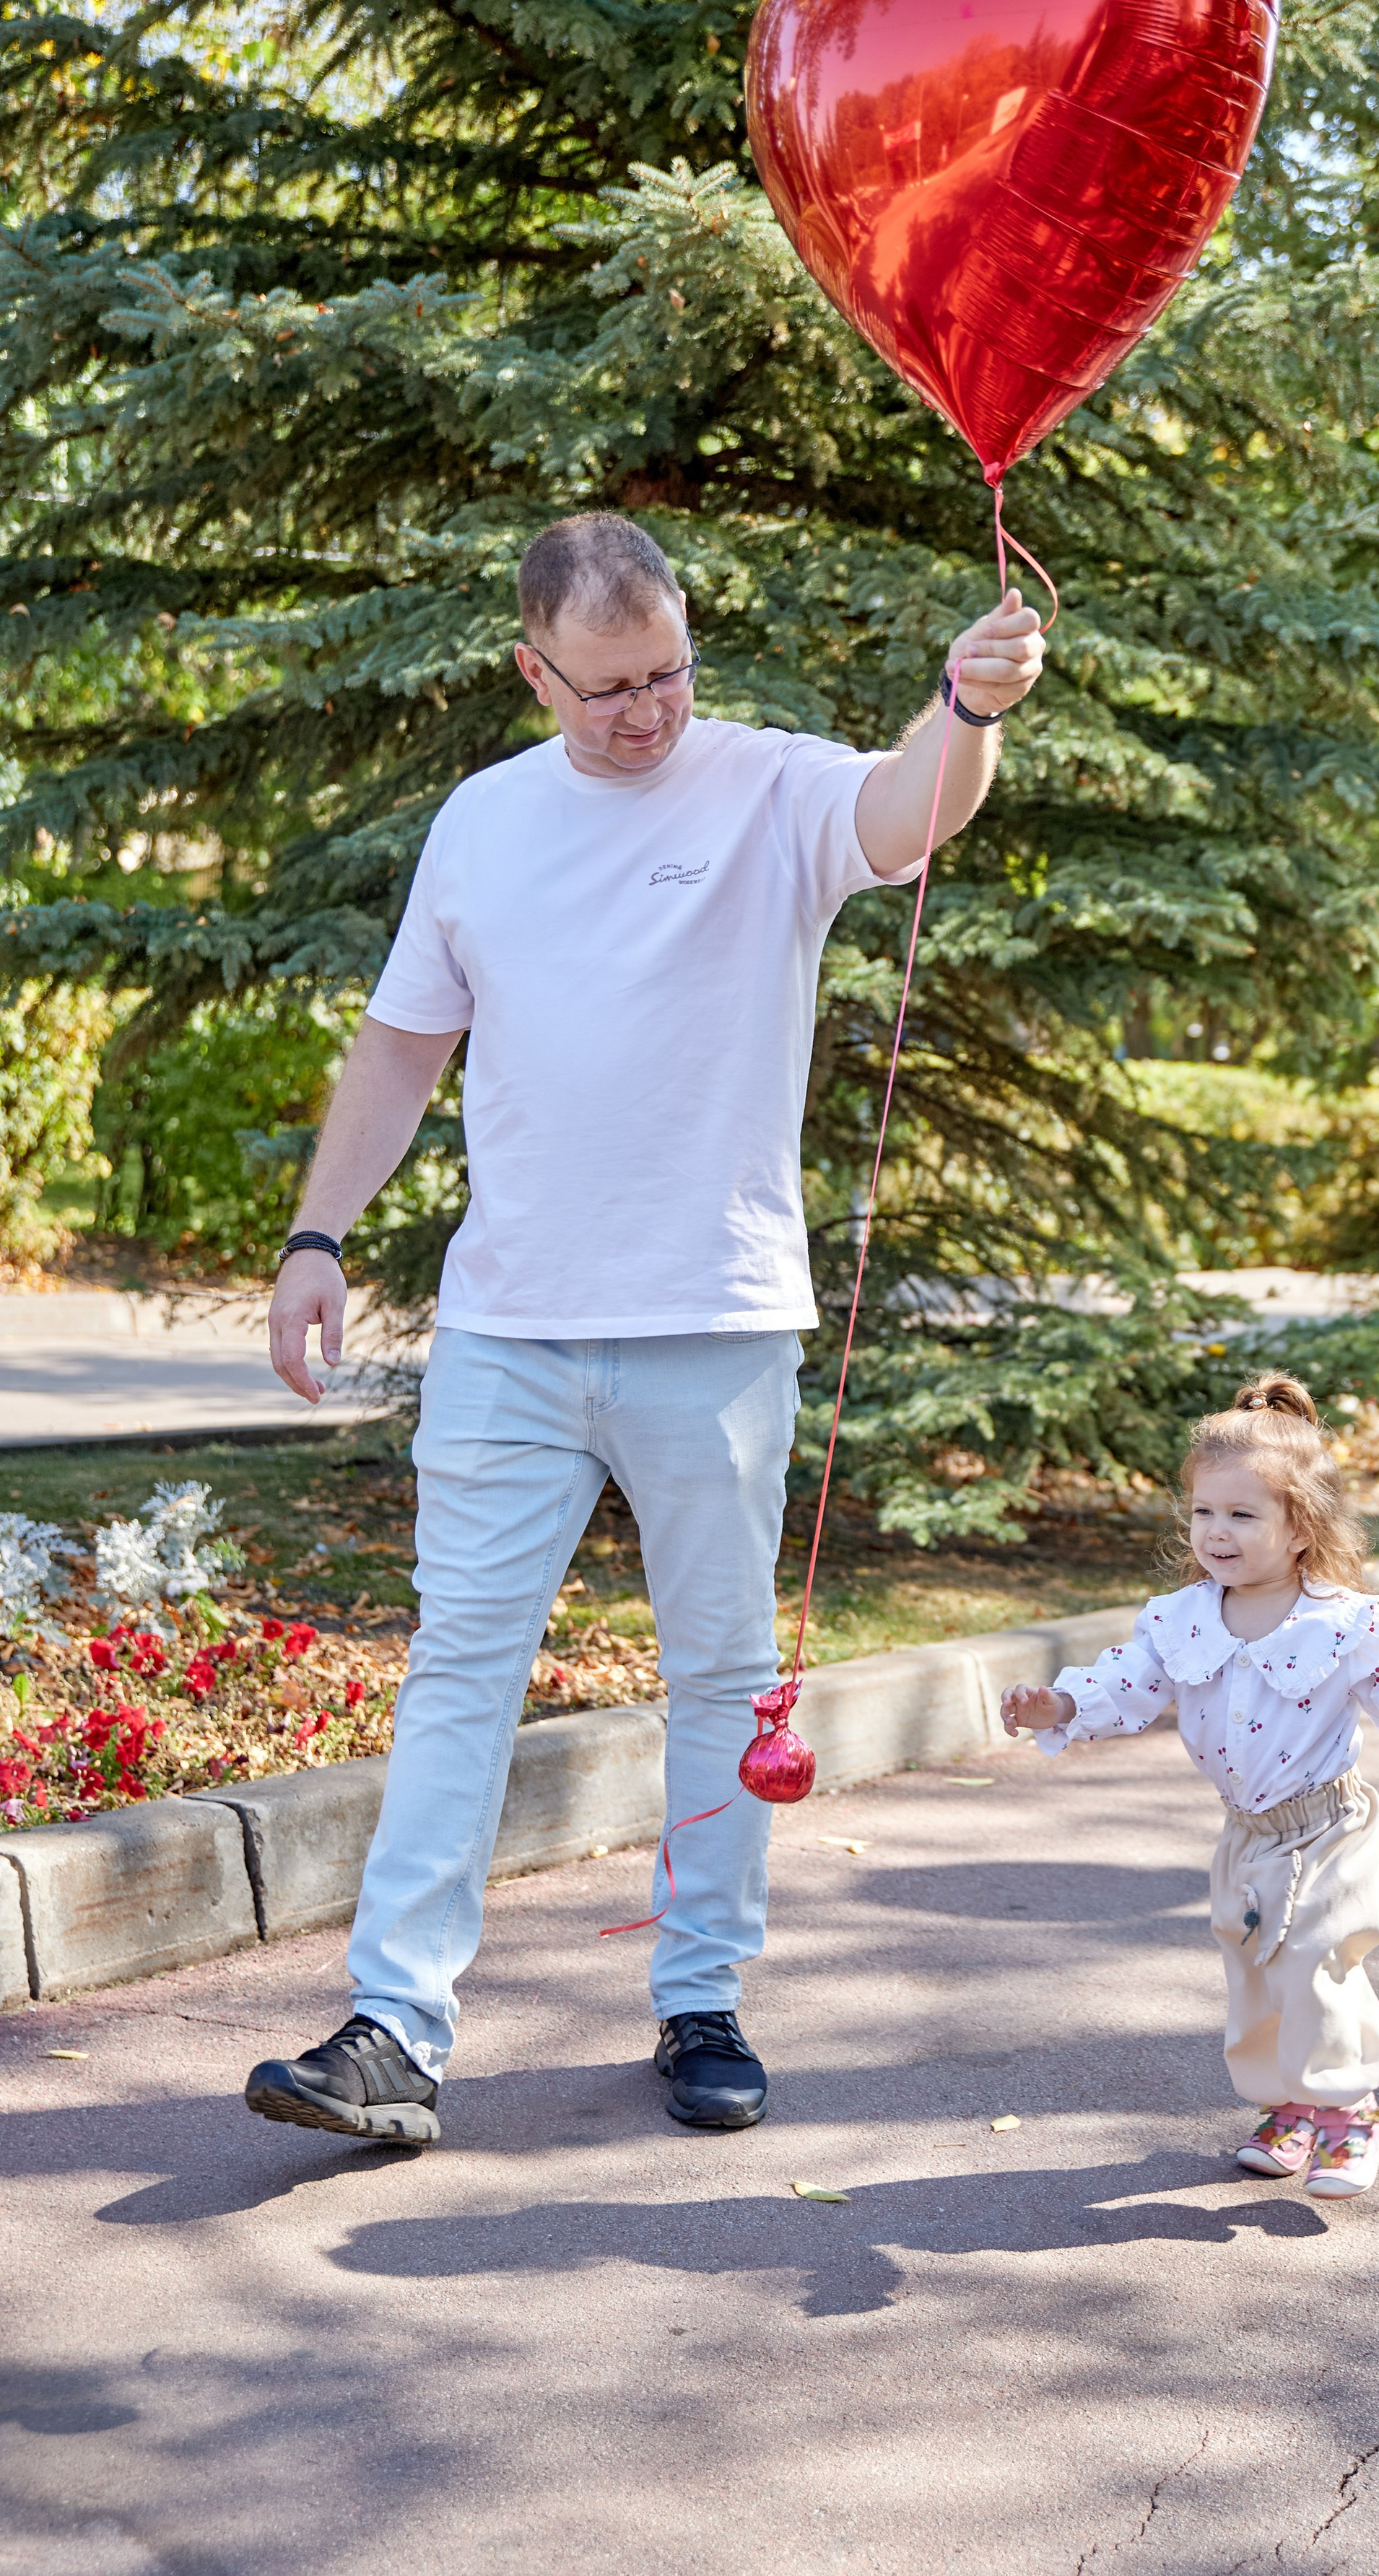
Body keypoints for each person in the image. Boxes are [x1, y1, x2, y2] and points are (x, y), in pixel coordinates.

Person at [242, 509, 1043, 2145]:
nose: (646, 712)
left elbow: (905, 816)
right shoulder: (481, 822)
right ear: (534, 667)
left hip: (713, 1320)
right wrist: (317, 1233)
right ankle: (394, 2024)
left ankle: (700, 1996)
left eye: (667, 673)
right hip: (510, 1329)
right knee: (459, 1669)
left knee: (722, 1680)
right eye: (606, 687)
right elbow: (401, 1052)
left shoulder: (768, 782)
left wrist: (960, 711)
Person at [999, 1373, 1379, 2197]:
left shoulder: (1343, 1619)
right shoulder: (1178, 1618)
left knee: (1315, 1959)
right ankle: (1290, 2109)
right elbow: (1126, 1686)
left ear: (1302, 1527)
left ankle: (1350, 2112)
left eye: (1242, 1515)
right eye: (1203, 1513)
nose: (1216, 1533)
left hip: (1330, 1825)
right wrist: (1061, 1702)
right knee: (1256, 1970)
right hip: (1248, 1834)